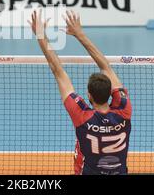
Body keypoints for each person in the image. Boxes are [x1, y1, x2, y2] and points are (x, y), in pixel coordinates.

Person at [29, 10, 132, 175]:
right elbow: (106, 67)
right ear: (111, 93)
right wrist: (80, 34)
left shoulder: (82, 117)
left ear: (89, 95)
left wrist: (41, 35)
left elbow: (57, 70)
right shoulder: (124, 110)